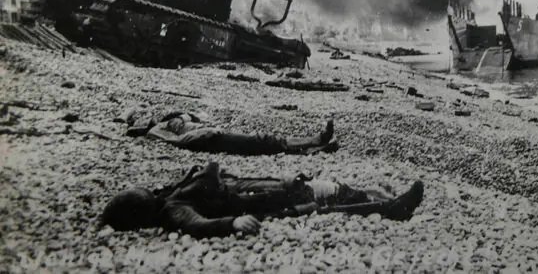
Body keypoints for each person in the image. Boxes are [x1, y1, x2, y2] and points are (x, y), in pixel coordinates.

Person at [100, 161, 425, 239]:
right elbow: (197, 225)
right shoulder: (174, 209)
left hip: (259, 196)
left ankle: (381, 200)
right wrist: (232, 224)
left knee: (328, 192)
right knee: (328, 201)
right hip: (262, 207)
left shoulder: (169, 199)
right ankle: (391, 209)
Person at [124, 110, 338, 156]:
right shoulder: (154, 130)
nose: (148, 114)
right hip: (208, 138)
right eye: (142, 115)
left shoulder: (163, 123)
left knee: (260, 143)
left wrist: (180, 118)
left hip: (208, 135)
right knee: (261, 141)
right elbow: (181, 134)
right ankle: (315, 141)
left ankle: (311, 146)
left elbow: (189, 116)